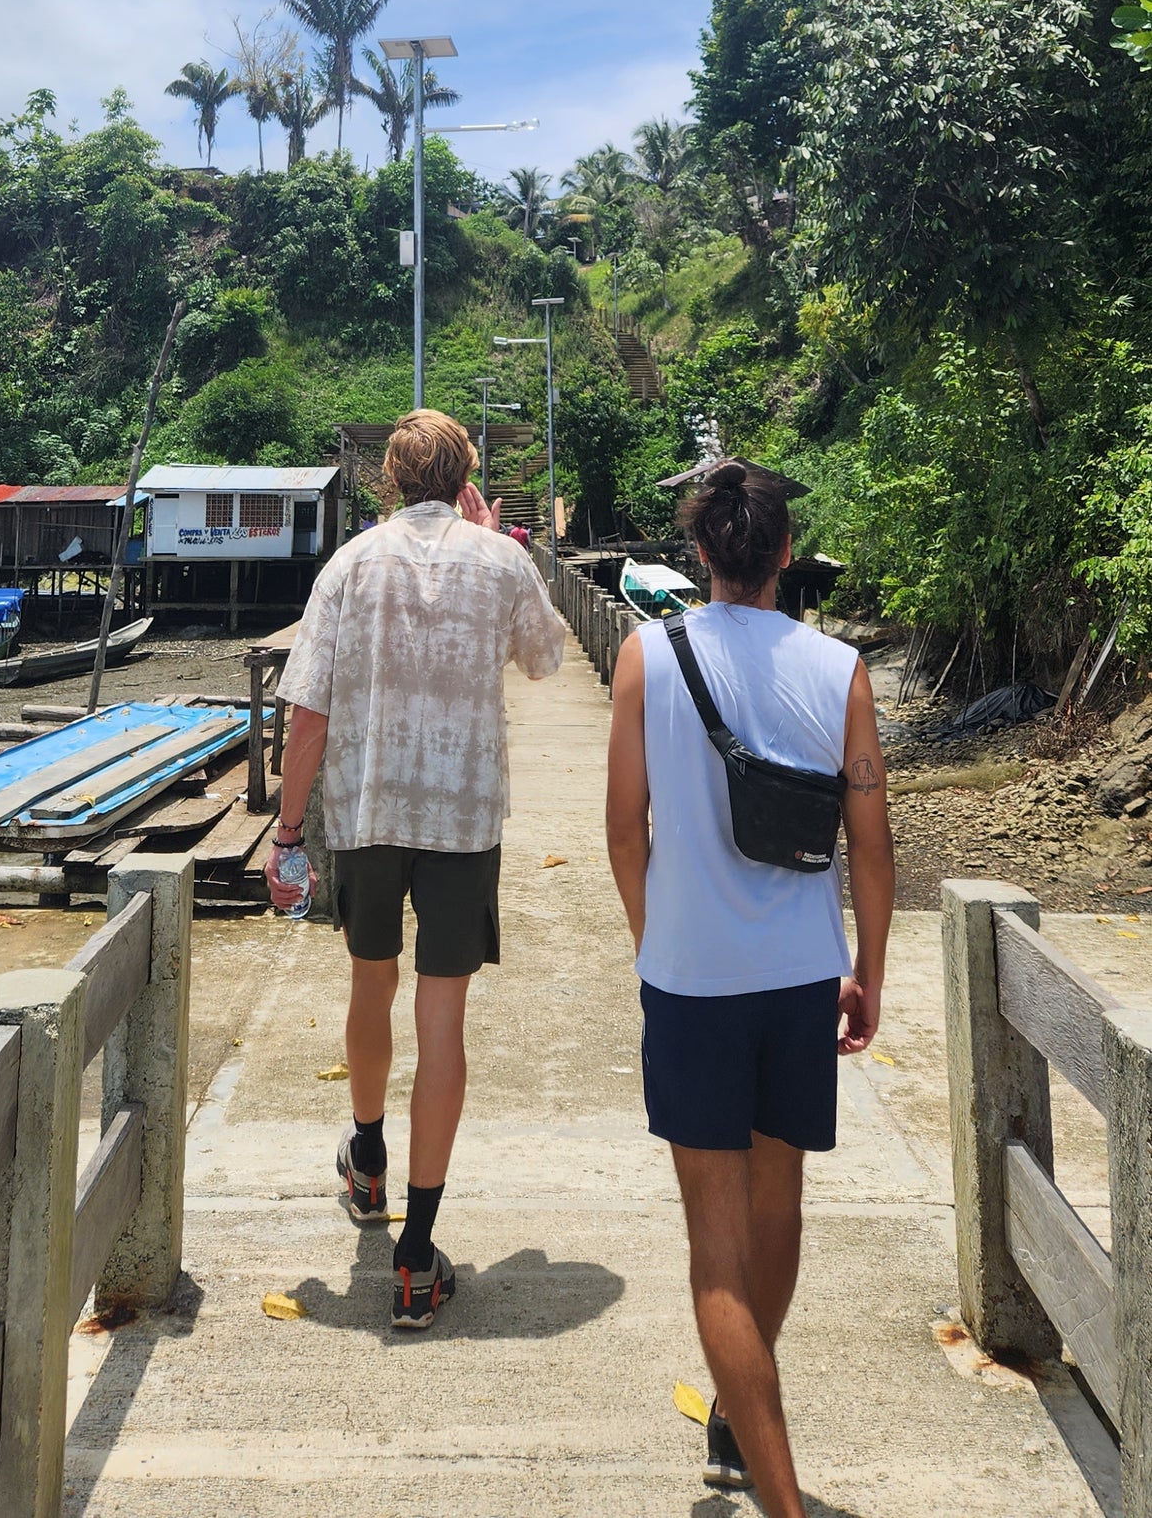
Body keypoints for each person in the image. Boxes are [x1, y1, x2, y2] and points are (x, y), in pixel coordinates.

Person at [605, 458, 894, 1517]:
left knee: (712, 1252)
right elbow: (871, 846)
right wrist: (868, 969)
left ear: (698, 557)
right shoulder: (839, 668)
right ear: (784, 555)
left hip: (690, 982)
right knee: (778, 1210)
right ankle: (745, 1410)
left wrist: (658, 941)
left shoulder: (647, 654)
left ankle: (775, 1497)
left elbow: (620, 829)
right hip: (796, 979)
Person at [268, 407, 565, 1329]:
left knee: (370, 983)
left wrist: (286, 834)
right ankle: (415, 1253)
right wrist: (494, 541)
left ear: (389, 480)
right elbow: (548, 657)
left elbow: (307, 712)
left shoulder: (348, 567)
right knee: (444, 1021)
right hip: (461, 816)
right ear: (466, 475)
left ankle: (367, 1159)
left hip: (366, 811)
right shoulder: (499, 557)